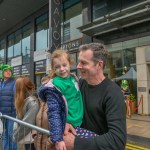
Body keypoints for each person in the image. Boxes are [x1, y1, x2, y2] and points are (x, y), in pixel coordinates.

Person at [63, 43, 127, 150]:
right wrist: (67, 122)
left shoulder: (113, 93)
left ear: (99, 65)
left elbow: (117, 140)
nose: (78, 66)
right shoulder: (79, 84)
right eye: (79, 61)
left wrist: (76, 143)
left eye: (83, 62)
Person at [38, 49, 97, 150]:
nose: (61, 69)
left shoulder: (73, 78)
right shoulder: (55, 86)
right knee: (96, 142)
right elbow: (53, 112)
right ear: (53, 69)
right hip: (68, 128)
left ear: (70, 64)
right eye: (57, 67)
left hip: (80, 123)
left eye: (64, 65)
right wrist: (58, 139)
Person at [13, 77, 39, 150]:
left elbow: (27, 123)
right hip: (26, 138)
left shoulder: (31, 102)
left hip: (31, 139)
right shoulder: (24, 100)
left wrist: (16, 136)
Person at [0, 64, 17, 150]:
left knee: (11, 135)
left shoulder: (14, 82)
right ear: (2, 73)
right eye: (6, 71)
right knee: (4, 134)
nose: (8, 72)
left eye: (10, 71)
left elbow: (16, 97)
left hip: (11, 114)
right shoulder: (1, 83)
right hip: (3, 114)